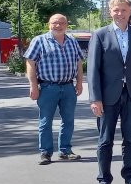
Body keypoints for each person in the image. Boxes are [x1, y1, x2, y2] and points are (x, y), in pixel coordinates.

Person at [88, 0, 131, 184]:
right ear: (110, 11)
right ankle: (103, 181)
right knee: (105, 140)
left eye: (124, 10)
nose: (120, 14)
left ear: (130, 12)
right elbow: (93, 70)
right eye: (116, 10)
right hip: (107, 97)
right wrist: (95, 98)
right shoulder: (100, 35)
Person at [24, 14, 85, 165]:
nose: (58, 25)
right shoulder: (39, 40)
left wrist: (79, 83)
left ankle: (65, 151)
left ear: (66, 25)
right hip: (47, 87)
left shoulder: (72, 41)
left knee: (68, 120)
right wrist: (33, 86)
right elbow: (30, 63)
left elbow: (78, 63)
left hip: (68, 87)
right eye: (54, 23)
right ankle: (45, 152)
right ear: (48, 24)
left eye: (61, 23)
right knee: (45, 121)